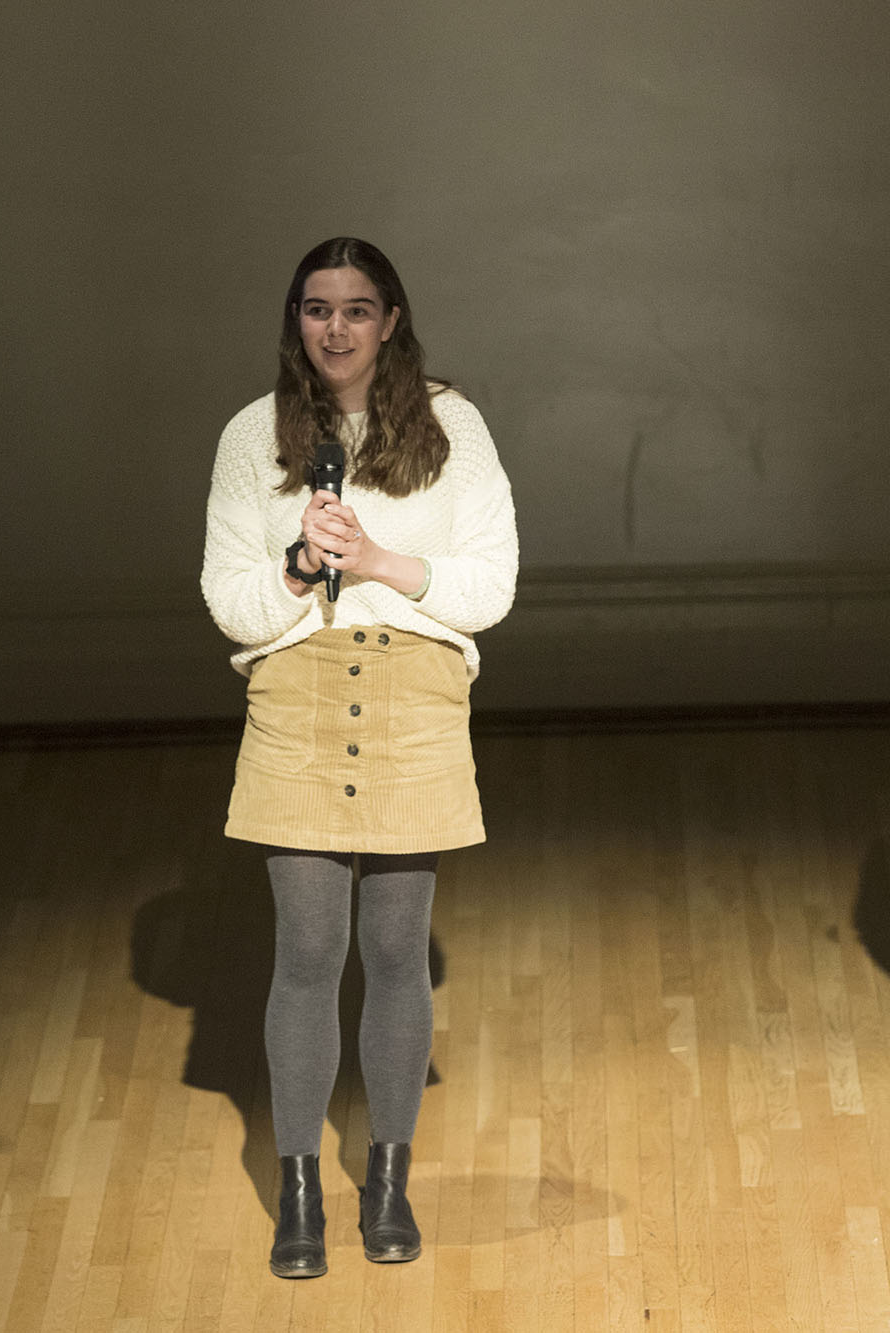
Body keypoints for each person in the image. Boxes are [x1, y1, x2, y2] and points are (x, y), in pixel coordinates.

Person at [201, 236, 517, 1278]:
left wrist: (378, 560)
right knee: (304, 949)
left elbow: (490, 587)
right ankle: (299, 1193)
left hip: (413, 694)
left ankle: (386, 1179)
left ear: (390, 320)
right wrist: (298, 568)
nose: (334, 329)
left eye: (356, 309)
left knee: (392, 949)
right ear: (295, 319)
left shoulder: (448, 426)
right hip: (296, 693)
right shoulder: (255, 434)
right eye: (315, 309)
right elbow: (226, 599)